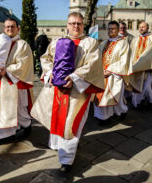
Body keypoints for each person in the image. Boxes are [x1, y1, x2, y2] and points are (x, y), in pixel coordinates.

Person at [31, 12, 105, 173]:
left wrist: (73, 78)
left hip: (78, 91)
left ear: (83, 25)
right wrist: (50, 73)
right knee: (57, 119)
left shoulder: (91, 43)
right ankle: (58, 146)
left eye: (78, 23)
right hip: (57, 89)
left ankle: (67, 160)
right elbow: (46, 58)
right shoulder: (57, 41)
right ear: (67, 25)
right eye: (72, 23)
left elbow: (92, 66)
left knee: (71, 123)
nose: (75, 26)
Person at [0, 18, 35, 145]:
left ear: (18, 28)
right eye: (7, 27)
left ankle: (24, 127)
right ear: (4, 28)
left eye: (12, 26)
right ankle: (3, 135)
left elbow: (24, 64)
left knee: (17, 109)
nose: (10, 29)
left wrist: (7, 71)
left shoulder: (22, 44)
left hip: (13, 83)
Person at [93, 20, 130, 125]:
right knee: (101, 95)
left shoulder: (123, 43)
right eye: (109, 28)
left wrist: (110, 70)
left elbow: (125, 60)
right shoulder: (104, 43)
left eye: (113, 28)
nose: (110, 30)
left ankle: (122, 111)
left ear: (118, 30)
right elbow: (98, 58)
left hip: (115, 74)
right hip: (101, 75)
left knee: (114, 97)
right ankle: (103, 117)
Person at [127, 22, 152, 108]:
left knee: (148, 87)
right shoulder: (135, 39)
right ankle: (137, 103)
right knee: (136, 85)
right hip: (136, 68)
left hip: (148, 68)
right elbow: (130, 53)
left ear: (148, 28)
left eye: (143, 27)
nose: (141, 29)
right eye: (139, 27)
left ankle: (150, 101)